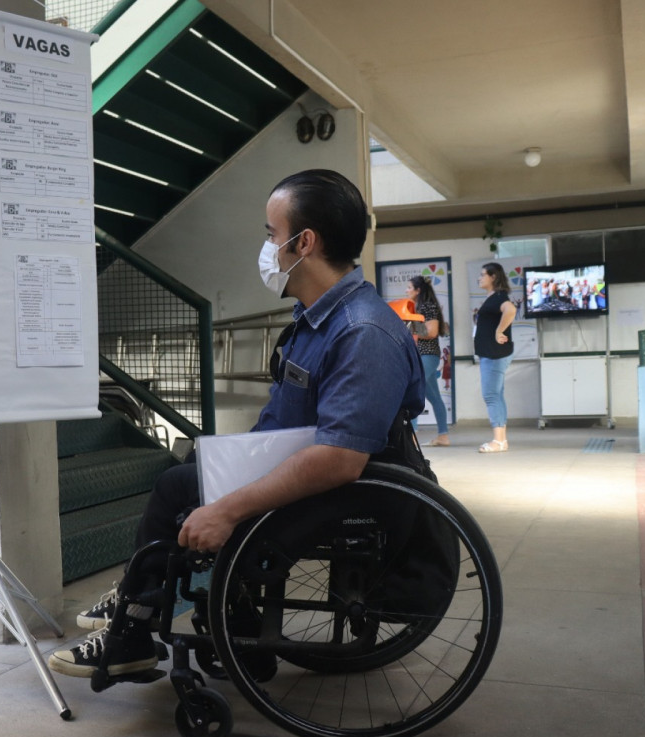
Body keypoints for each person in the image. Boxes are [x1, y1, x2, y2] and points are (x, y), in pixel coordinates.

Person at [48, 169, 426, 678]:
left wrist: (227, 509)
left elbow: (340, 459)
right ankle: (166, 608)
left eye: (272, 234)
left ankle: (132, 630)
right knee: (191, 467)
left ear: (304, 242)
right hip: (304, 464)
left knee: (178, 488)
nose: (268, 246)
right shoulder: (318, 315)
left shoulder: (362, 332)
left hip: (346, 491)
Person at [474, 262, 516, 453]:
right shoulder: (492, 298)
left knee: (491, 395)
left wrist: (500, 330)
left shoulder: (499, 297)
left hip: (495, 353)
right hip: (490, 353)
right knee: (496, 395)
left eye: (483, 275)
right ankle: (501, 440)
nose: (479, 278)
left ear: (493, 277)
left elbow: (511, 310)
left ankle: (498, 441)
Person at [405, 276, 449, 446]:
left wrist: (408, 326)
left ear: (418, 290)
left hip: (428, 355)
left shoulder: (427, 306)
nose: (406, 290)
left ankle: (412, 436)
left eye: (409, 287)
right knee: (435, 397)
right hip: (423, 355)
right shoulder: (418, 307)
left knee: (412, 389)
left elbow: (432, 332)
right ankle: (443, 436)